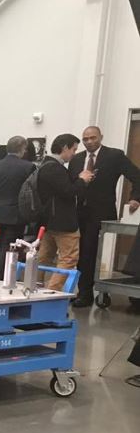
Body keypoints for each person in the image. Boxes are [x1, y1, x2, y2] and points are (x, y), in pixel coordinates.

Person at [68, 126, 140, 307]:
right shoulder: (77, 159)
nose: (89, 142)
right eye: (85, 139)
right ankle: (84, 292)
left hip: (102, 212)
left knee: (96, 255)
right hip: (78, 214)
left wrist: (134, 198)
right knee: (81, 254)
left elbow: (137, 176)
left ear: (101, 137)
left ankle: (96, 293)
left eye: (93, 138)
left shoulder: (114, 156)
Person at [38, 133, 87, 292]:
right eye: (73, 149)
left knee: (44, 257)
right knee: (68, 258)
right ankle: (52, 293)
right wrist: (82, 180)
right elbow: (68, 192)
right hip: (63, 223)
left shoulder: (44, 165)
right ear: (65, 147)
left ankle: (34, 288)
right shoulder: (55, 168)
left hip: (48, 222)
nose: (74, 153)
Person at [0, 135, 35, 279]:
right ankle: (0, 277)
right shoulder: (28, 167)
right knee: (10, 248)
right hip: (15, 214)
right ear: (23, 149)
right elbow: (30, 193)